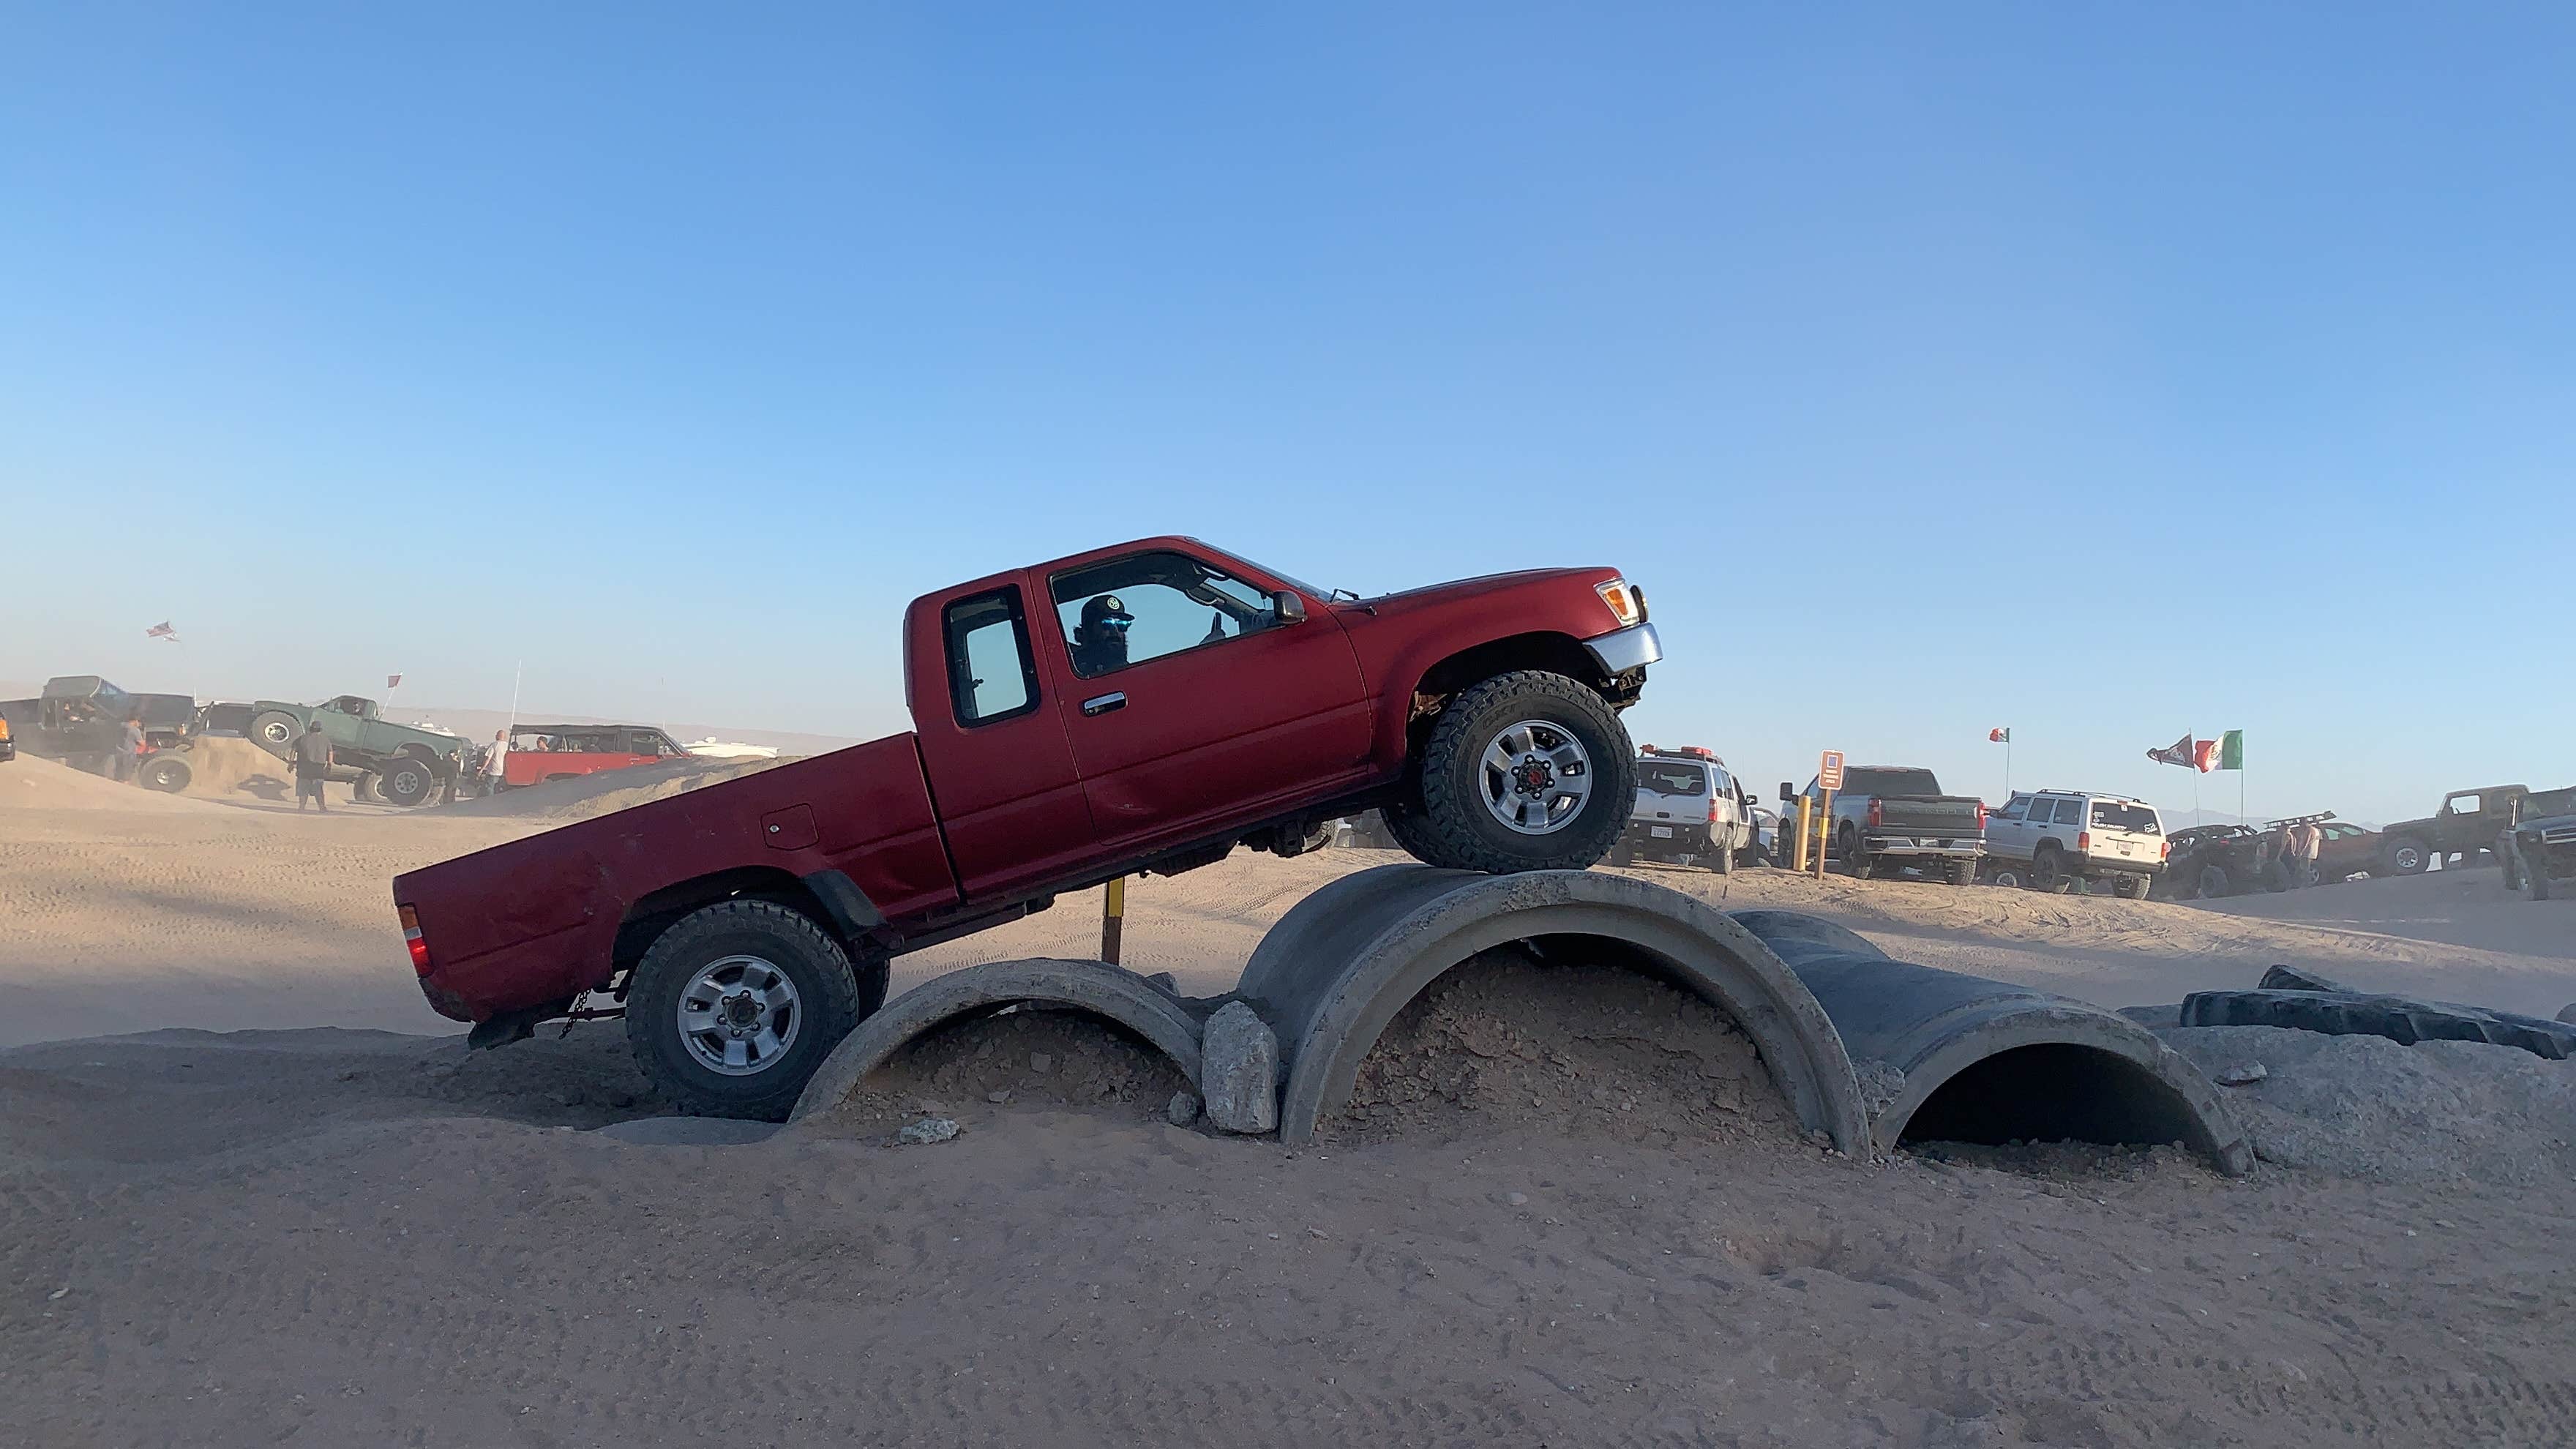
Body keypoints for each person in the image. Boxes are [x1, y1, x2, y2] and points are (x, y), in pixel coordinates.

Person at [1069, 593, 1136, 676]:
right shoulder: (1071, 669)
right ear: (1086, 631)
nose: (1115, 631)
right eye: (1107, 623)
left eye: (1122, 624)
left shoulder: (1130, 673)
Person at [292, 720, 333, 812]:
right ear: (320, 730)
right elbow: (330, 752)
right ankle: (322, 808)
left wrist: (291, 763)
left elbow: (293, 750)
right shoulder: (325, 739)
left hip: (303, 770)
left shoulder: (302, 738)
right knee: (318, 790)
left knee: (303, 789)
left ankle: (302, 807)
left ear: (311, 729)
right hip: (318, 770)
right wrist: (329, 765)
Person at [112, 711, 144, 784]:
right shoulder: (135, 730)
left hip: (118, 750)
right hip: (129, 752)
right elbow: (142, 743)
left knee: (118, 768)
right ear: (135, 721)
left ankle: (115, 782)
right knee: (127, 771)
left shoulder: (120, 726)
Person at [482, 729, 510, 797]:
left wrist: (482, 769)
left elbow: (488, 758)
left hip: (494, 772)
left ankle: (490, 803)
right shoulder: (509, 746)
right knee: (499, 790)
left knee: (490, 790)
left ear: (498, 736)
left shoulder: (494, 745)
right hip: (504, 772)